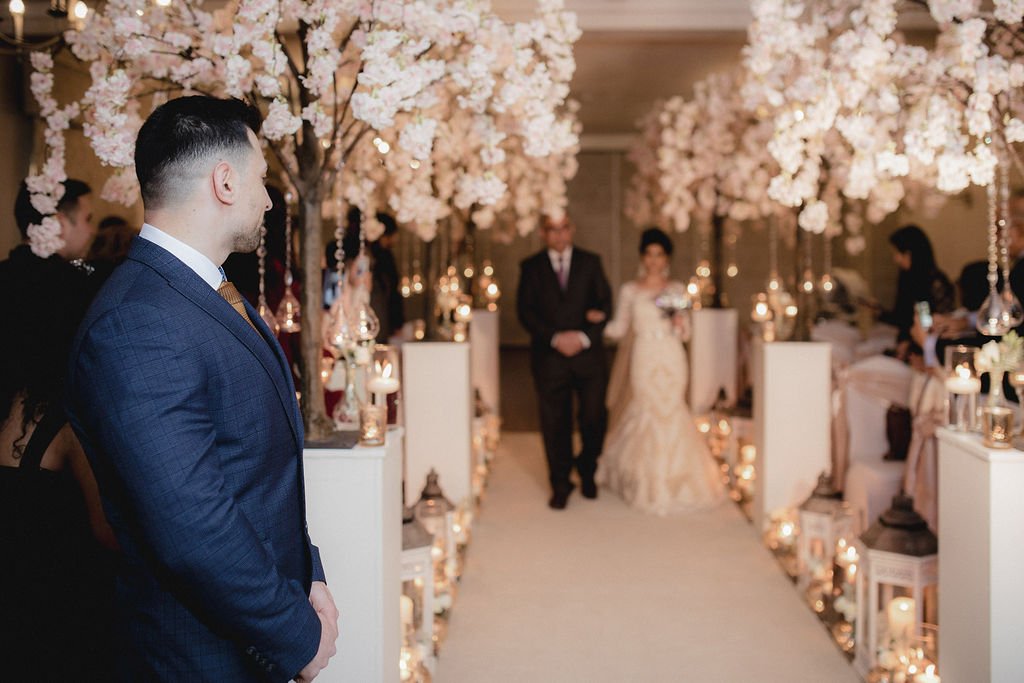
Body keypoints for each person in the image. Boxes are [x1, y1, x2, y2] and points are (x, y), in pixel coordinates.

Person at [65, 96, 338, 681]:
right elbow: (193, 527)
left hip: (252, 626)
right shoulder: (136, 322)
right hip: (200, 654)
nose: (268, 198)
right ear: (224, 180)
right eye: (262, 179)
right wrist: (296, 635)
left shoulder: (207, 292)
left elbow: (259, 474)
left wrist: (309, 574)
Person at [0, 178, 117, 679]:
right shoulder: (80, 277)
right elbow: (106, 532)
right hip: (57, 605)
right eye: (87, 218)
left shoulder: (8, 275)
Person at [598, 228, 724, 515]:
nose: (654, 260)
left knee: (671, 410)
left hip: (671, 356)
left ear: (667, 258)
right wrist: (591, 321)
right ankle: (645, 483)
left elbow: (686, 333)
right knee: (646, 409)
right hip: (644, 354)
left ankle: (676, 481)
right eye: (649, 254)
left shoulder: (677, 290)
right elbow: (618, 330)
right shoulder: (630, 290)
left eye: (660, 254)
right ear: (643, 257)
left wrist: (679, 319)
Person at [517, 214, 612, 509]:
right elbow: (526, 312)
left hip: (588, 357)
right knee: (554, 422)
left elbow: (605, 305)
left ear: (571, 230)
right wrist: (556, 339)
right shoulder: (531, 267)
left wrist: (583, 336)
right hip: (550, 357)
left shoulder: (590, 262)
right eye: (552, 230)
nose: (559, 235)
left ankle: (586, 470)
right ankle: (559, 482)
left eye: (564, 229)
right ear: (543, 233)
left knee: (593, 418)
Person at [880, 224, 954, 359]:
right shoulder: (907, 278)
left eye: (897, 253)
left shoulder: (934, 282)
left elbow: (927, 322)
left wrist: (909, 343)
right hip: (912, 347)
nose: (895, 259)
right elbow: (902, 316)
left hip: (929, 350)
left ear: (909, 254)